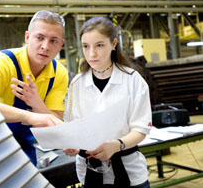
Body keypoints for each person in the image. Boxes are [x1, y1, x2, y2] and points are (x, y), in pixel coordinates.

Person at [63, 16, 152, 188]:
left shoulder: (133, 80)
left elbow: (141, 129)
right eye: (86, 46)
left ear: (113, 44)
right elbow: (72, 126)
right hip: (89, 172)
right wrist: (71, 144)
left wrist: (116, 145)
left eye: (99, 45)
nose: (91, 54)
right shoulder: (77, 83)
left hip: (129, 173)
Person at [0, 10, 69, 165]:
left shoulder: (59, 73)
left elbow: (55, 120)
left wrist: (36, 103)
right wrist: (29, 116)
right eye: (40, 38)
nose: (45, 46)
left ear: (61, 45)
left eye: (53, 41)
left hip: (24, 146)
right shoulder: (0, 64)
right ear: (27, 37)